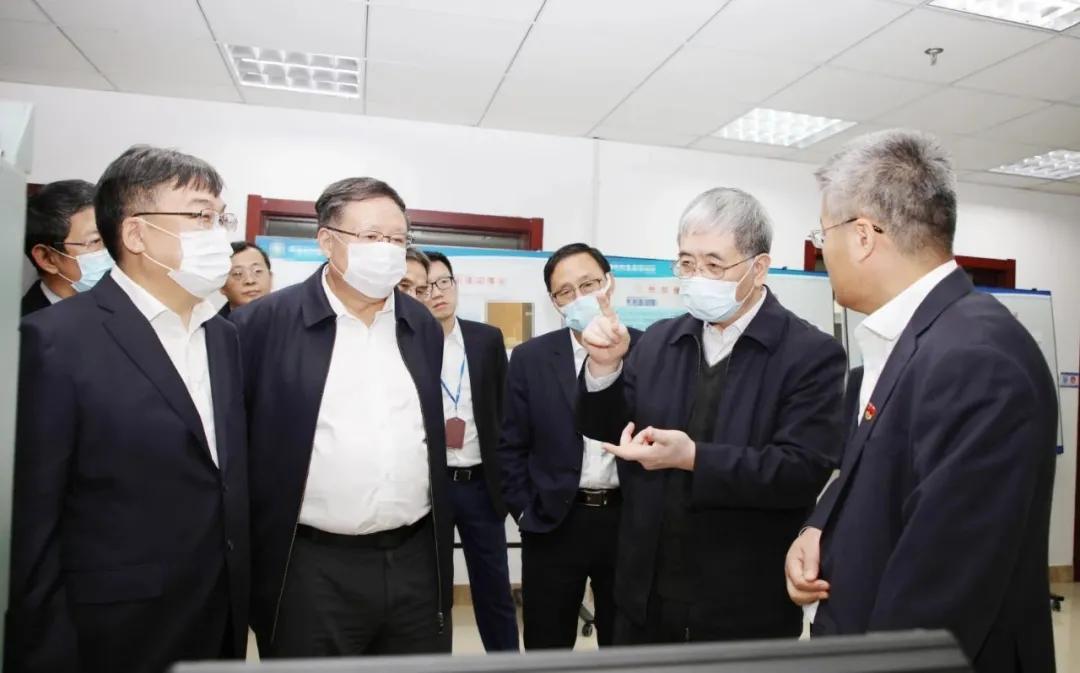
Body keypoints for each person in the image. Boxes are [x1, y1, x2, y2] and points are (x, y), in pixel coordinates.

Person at [785, 129, 1057, 673]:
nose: (824, 251)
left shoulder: (976, 360)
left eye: (824, 233)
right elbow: (879, 471)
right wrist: (818, 527)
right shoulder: (908, 339)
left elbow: (942, 590)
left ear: (863, 236)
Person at [7, 146, 249, 673]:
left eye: (219, 217)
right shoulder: (54, 340)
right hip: (113, 629)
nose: (217, 235)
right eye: (199, 216)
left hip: (216, 612)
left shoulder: (221, 336)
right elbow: (32, 521)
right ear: (136, 234)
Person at [577, 188, 846, 645]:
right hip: (644, 595)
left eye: (714, 265)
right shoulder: (659, 341)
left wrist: (695, 458)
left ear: (758, 268)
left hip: (743, 601)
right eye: (686, 263)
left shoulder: (809, 354)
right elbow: (610, 431)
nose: (697, 277)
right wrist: (605, 369)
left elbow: (801, 470)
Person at [232, 177, 453, 658]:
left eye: (397, 239)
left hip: (415, 561)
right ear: (326, 241)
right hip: (310, 566)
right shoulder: (261, 325)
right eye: (371, 236)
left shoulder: (420, 325)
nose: (387, 250)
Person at [499, 243, 641, 650]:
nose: (579, 297)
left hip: (627, 522)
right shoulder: (530, 358)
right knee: (547, 644)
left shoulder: (648, 349)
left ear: (609, 284)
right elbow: (510, 445)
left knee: (626, 643)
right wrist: (524, 509)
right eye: (565, 291)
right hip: (554, 522)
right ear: (554, 302)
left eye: (589, 284)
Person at [422, 251, 519, 652]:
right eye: (425, 287)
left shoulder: (486, 339)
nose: (437, 292)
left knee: (493, 587)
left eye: (443, 282)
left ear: (455, 285)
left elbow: (505, 410)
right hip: (432, 488)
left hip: (481, 484)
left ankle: (506, 662)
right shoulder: (408, 343)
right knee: (435, 591)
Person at [22, 179, 113, 315]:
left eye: (112, 236)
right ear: (47, 258)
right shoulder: (25, 326)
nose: (112, 250)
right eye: (95, 241)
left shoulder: (122, 303)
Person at [219, 241, 272, 317]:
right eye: (237, 273)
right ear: (221, 286)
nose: (250, 281)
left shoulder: (288, 318)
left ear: (270, 277)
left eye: (257, 271)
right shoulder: (212, 324)